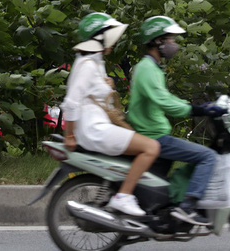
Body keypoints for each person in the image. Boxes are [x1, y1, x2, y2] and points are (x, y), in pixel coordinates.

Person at [127, 15, 227, 226]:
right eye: (171, 39)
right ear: (157, 41)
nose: (174, 44)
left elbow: (166, 97)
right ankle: (187, 207)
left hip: (153, 133)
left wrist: (198, 106)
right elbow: (163, 101)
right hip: (154, 136)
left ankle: (164, 212)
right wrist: (196, 109)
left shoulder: (152, 68)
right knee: (208, 156)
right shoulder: (147, 68)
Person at [61, 12, 161, 217]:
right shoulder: (88, 65)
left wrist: (109, 84)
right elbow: (71, 102)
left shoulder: (94, 62)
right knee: (151, 147)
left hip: (98, 127)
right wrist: (69, 136)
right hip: (95, 130)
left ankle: (127, 194)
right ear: (99, 38)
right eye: (110, 37)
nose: (114, 42)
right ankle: (123, 196)